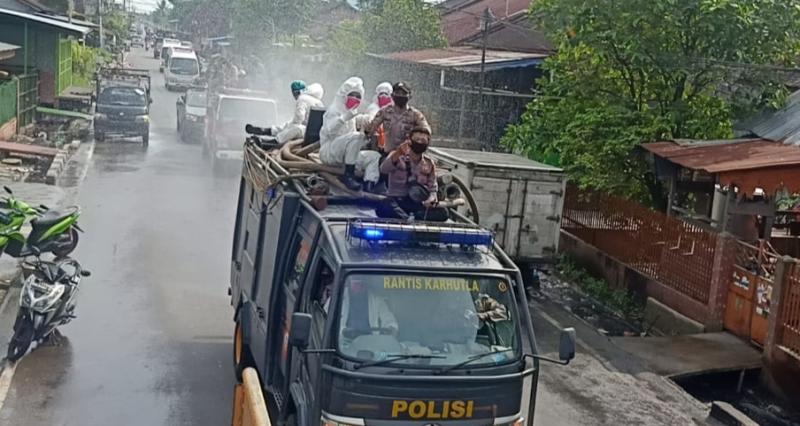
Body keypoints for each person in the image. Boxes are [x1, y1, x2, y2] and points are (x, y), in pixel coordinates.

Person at [319, 77, 381, 192]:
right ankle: (348, 176)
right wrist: (343, 118)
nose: (355, 99)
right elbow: (329, 132)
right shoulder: (334, 110)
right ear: (344, 95)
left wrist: (367, 121)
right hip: (329, 152)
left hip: (346, 157)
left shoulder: (352, 114)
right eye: (352, 95)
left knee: (374, 157)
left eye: (358, 96)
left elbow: (352, 138)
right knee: (357, 136)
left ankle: (369, 185)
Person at [376, 127, 448, 221]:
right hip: (397, 201)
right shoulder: (396, 155)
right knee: (384, 206)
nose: (420, 142)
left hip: (418, 203)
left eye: (423, 140)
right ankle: (408, 219)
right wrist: (399, 153)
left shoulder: (429, 163)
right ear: (409, 141)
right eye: (417, 139)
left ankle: (413, 217)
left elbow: (433, 189)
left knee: (443, 212)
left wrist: (431, 198)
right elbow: (383, 169)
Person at [364, 82, 431, 154]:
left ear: (410, 96)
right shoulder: (384, 112)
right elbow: (371, 129)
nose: (400, 95)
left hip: (408, 155)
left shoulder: (415, 114)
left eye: (403, 93)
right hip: (388, 154)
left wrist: (416, 139)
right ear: (392, 95)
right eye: (398, 93)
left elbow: (426, 131)